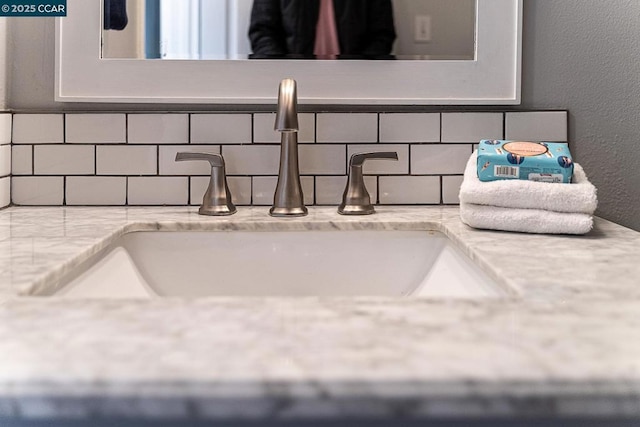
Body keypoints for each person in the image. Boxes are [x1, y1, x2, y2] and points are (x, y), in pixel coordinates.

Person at [249, 0, 396, 59]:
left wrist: (359, 73)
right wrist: (283, 73)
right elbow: (263, 31)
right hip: (292, 86)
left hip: (355, 86)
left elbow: (382, 35)